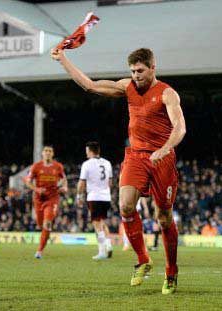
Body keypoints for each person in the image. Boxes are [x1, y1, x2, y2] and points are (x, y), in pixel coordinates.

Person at [51, 47, 186, 294]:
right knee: (125, 206)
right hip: (135, 155)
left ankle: (171, 272)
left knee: (164, 218)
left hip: (162, 158)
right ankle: (143, 260)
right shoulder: (127, 87)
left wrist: (165, 149)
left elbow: (180, 128)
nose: (136, 75)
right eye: (133, 71)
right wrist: (63, 60)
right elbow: (90, 85)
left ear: (153, 68)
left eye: (140, 71)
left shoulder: (167, 94)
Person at [24, 145, 68, 259]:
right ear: (42, 153)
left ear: (52, 154)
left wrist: (65, 187)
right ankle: (45, 234)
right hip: (39, 199)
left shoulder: (58, 166)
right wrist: (37, 189)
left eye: (50, 151)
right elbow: (28, 181)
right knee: (40, 224)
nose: (48, 153)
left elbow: (64, 179)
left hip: (52, 198)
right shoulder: (36, 166)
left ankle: (39, 251)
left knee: (47, 223)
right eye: (46, 151)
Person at [77, 141, 114, 260]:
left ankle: (102, 252)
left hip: (94, 197)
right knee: (102, 222)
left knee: (96, 224)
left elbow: (81, 183)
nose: (86, 153)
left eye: (87, 151)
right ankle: (108, 245)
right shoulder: (107, 163)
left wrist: (79, 196)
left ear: (90, 151)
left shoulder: (87, 164)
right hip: (106, 197)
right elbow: (110, 182)